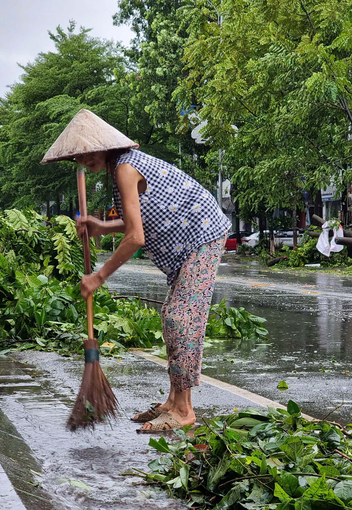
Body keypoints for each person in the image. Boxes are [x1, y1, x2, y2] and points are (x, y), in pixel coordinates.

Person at [42, 109, 231, 431]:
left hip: (201, 237)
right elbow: (141, 221)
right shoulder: (120, 169)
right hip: (185, 242)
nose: (83, 161)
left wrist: (98, 277)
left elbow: (136, 237)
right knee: (172, 315)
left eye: (88, 153)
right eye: (77, 157)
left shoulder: (126, 168)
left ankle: (184, 410)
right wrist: (102, 227)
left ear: (104, 145)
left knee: (180, 318)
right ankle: (172, 401)